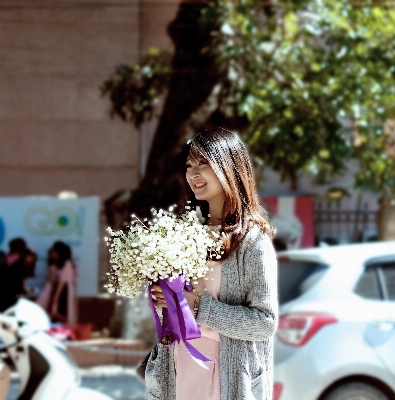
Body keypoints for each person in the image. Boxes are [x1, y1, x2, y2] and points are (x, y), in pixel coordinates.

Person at [148, 127, 278, 400]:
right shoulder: (183, 233)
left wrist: (196, 306)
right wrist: (165, 298)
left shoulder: (252, 241)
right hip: (179, 367)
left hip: (225, 373)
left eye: (203, 164)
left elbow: (264, 323)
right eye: (189, 165)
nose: (193, 174)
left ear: (229, 167)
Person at [36, 241, 76, 324]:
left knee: (62, 309)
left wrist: (56, 296)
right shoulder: (54, 263)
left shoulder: (67, 263)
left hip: (64, 290)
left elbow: (63, 281)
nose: (53, 254)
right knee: (53, 310)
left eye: (55, 252)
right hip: (55, 288)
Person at [0, 238, 37, 312]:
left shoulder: (4, 257)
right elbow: (20, 278)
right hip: (13, 294)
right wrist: (23, 291)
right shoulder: (20, 259)